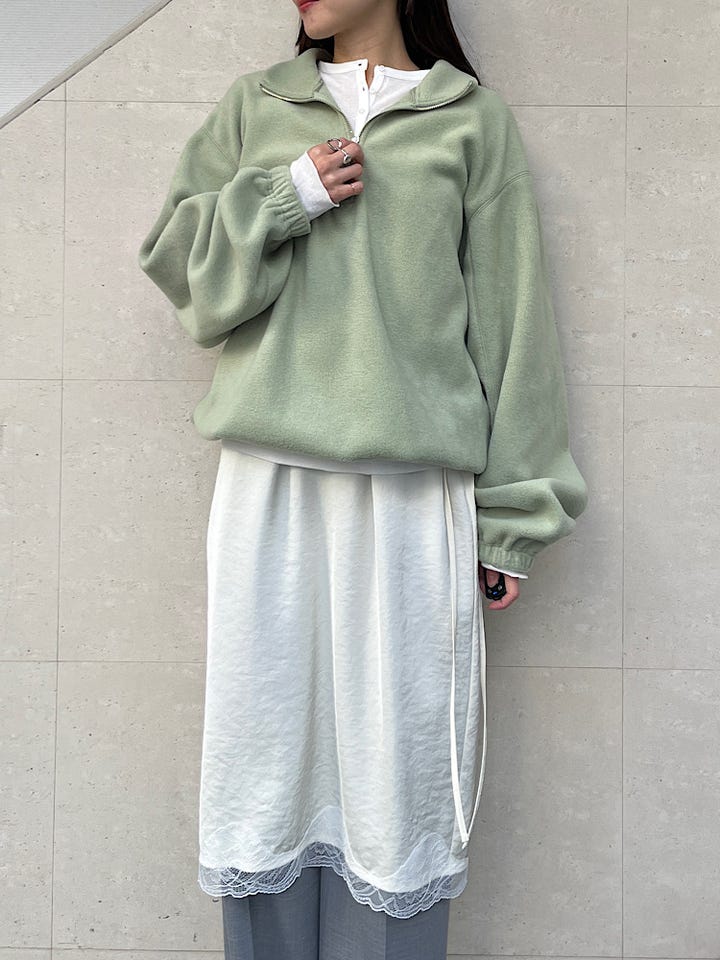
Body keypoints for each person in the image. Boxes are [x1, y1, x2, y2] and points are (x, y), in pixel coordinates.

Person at [137, 0, 589, 956]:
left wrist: (513, 518)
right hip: (269, 491)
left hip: (413, 498)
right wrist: (284, 196)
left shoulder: (470, 121)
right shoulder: (257, 106)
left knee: (399, 773)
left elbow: (514, 328)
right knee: (265, 761)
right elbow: (181, 269)